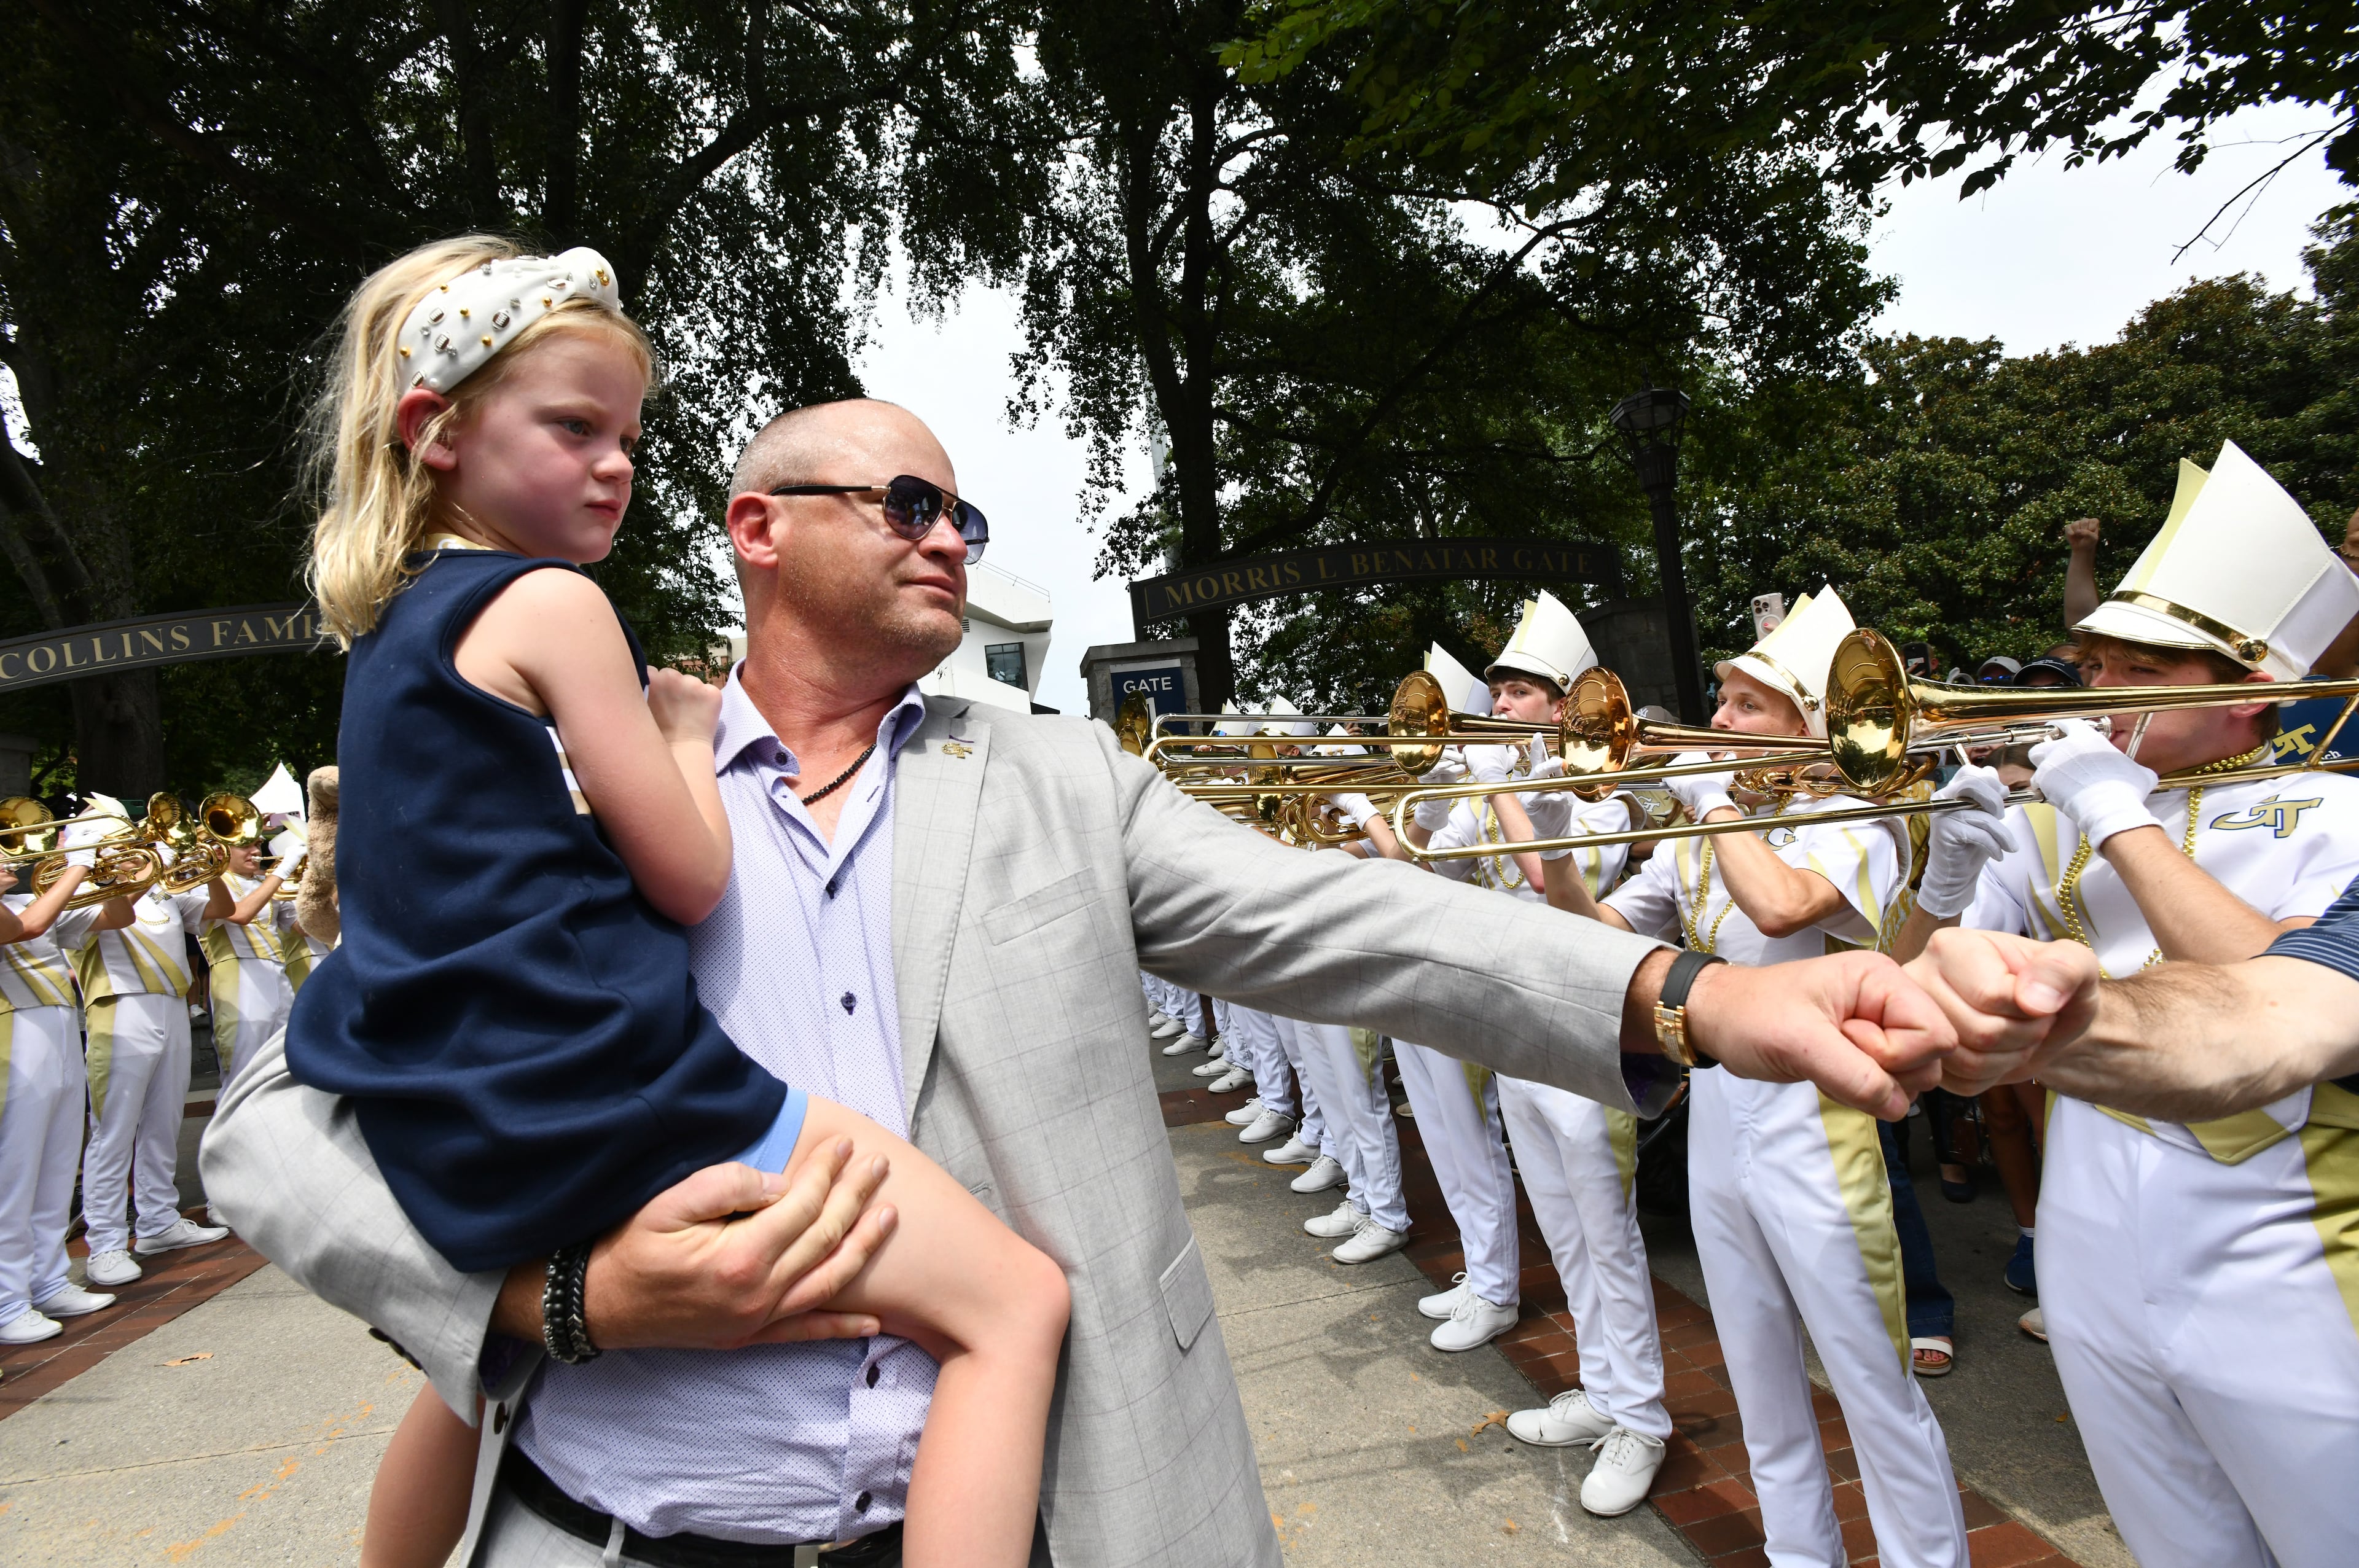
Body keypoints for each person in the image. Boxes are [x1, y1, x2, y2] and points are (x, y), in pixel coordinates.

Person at [205, 385, 1954, 1568]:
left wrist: (1694, 999)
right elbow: (274, 1123)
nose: (948, 538)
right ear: (755, 526)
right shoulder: (575, 765)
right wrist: (559, 1301)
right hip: (605, 1526)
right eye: (904, 503)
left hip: (1043, 1516)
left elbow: (1351, 921)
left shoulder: (1052, 778)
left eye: (960, 511)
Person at [281, 238, 1069, 1568]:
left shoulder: (386, 635)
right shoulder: (553, 602)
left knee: (467, 1368)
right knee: (1014, 1304)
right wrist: (689, 738)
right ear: (436, 431)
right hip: (605, 1085)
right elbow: (695, 874)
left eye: (628, 438)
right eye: (574, 426)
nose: (616, 465)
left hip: (454, 1105)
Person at [1894, 440, 2359, 1568]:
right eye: (2095, 664)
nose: (2097, 692)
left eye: (2136, 669)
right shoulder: (2054, 815)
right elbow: (1904, 994)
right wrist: (1942, 878)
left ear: (2251, 690)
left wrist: (2113, 809)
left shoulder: (2331, 805)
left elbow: (2277, 989)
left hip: (2283, 1245)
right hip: (2091, 1231)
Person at [1551, 587, 1970, 1568]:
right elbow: (1600, 935)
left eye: (1746, 704)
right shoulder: (1717, 822)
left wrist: (1708, 800)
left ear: (1808, 723)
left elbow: (1782, 907)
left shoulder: (1855, 817)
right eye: (1723, 698)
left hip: (1820, 1134)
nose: (1720, 719)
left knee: (1875, 1390)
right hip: (1718, 1126)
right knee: (1760, 1383)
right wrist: (1554, 846)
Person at [67, 841, 235, 1287]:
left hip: (171, 1006)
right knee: (114, 1130)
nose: (136, 852)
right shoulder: (84, 890)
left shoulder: (165, 891)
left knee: (164, 1122)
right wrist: (143, 872)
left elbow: (222, 909)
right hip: (120, 1007)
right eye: (123, 847)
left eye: (137, 846)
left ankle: (159, 1220)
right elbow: (117, 915)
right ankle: (105, 1243)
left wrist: (213, 865)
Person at [0, 860, 133, 1343]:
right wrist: (77, 868)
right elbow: (27, 927)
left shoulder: (27, 898)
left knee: (56, 1166)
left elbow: (119, 917)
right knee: (14, 1174)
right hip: (12, 1030)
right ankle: (7, 1301)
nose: (9, 860)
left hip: (55, 1028)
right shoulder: (30, 907)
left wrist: (109, 875)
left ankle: (49, 1279)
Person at [198, 833, 302, 1090]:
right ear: (221, 851)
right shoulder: (208, 882)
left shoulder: (266, 882)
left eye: (257, 844)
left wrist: (323, 883)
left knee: (286, 1069)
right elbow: (240, 914)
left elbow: (305, 928)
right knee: (242, 1074)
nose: (256, 851)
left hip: (278, 977)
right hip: (238, 978)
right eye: (245, 846)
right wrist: (283, 871)